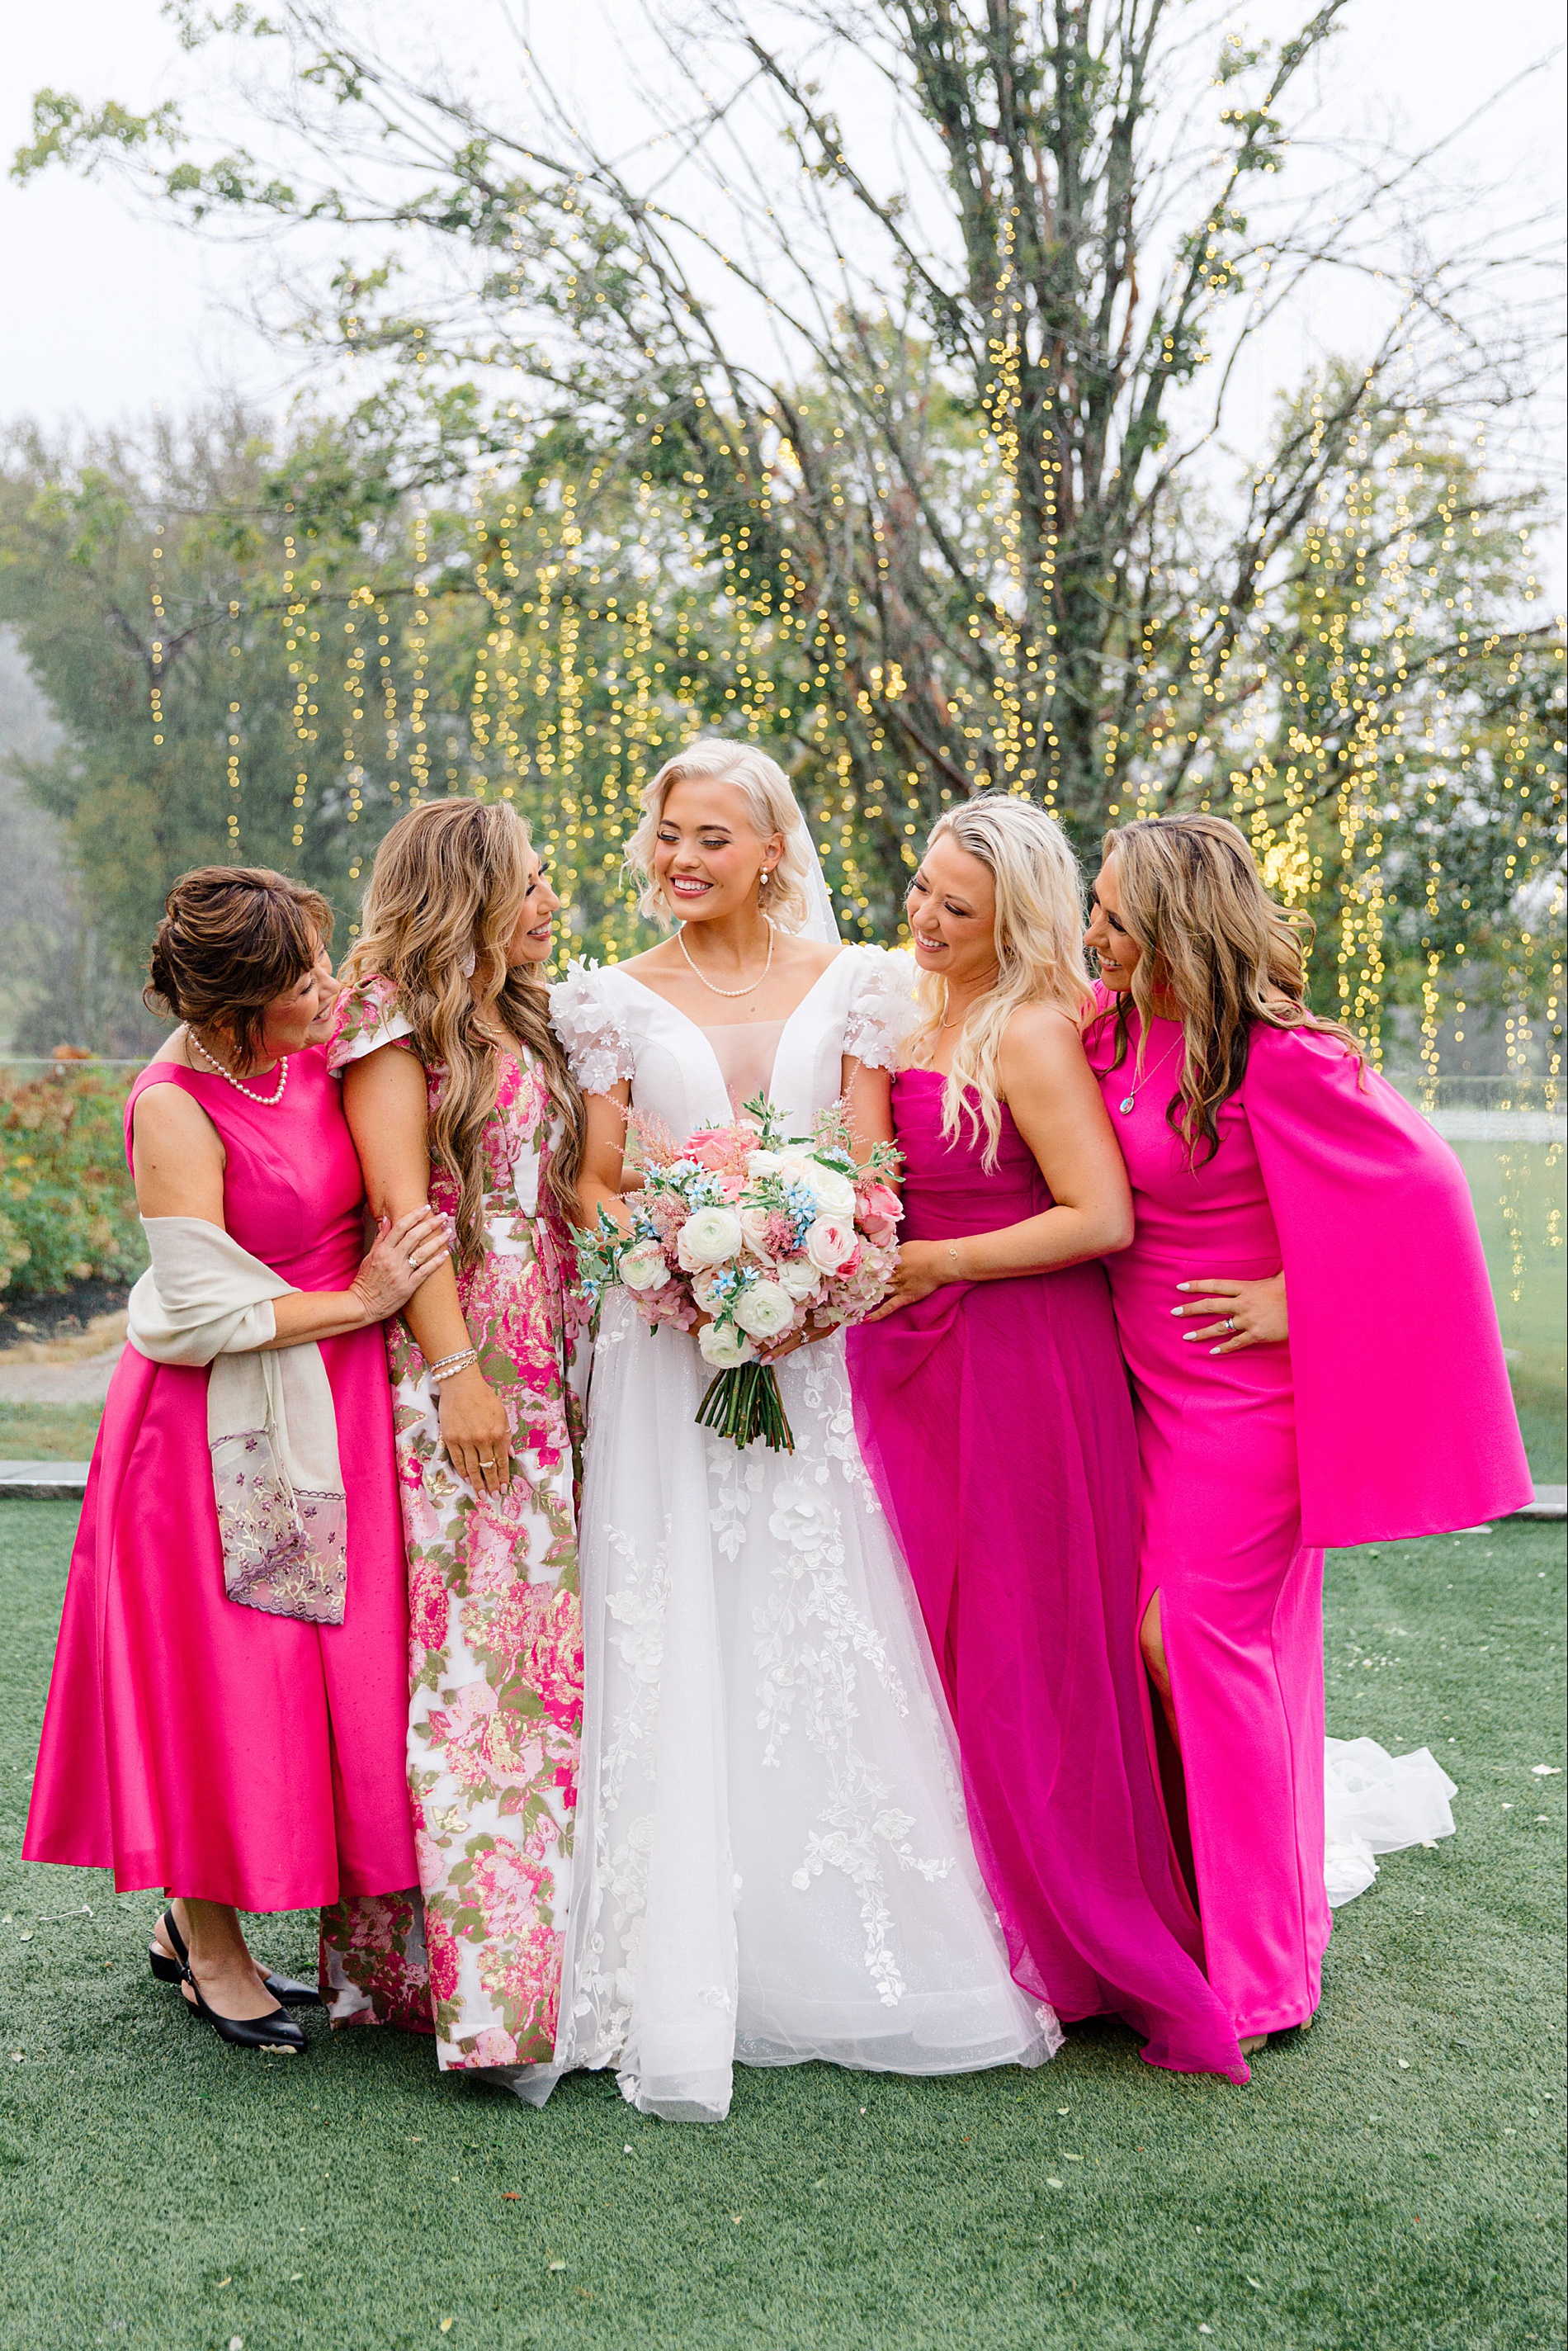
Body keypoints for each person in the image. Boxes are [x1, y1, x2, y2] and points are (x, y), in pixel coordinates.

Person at [548, 738, 1056, 2122]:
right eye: (665, 835)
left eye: (710, 837)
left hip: (814, 1356)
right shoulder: (603, 1000)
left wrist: (810, 1279)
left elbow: (870, 1168)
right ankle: (655, 1954)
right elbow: (594, 1180)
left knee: (811, 1608)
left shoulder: (866, 988)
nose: (679, 861)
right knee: (666, 1611)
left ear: (773, 849)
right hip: (665, 1356)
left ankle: (834, 1941)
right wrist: (665, 1266)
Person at [1082, 813, 1532, 2054]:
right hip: (1146, 1402)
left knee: (1196, 1645)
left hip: (1249, 1411)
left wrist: (1299, 1297)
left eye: (1118, 915)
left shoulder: (1277, 1054)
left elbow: (1428, 1198)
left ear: (1178, 924)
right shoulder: (1108, 1028)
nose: (1096, 932)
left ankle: (1265, 1978)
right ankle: (1212, 1924)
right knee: (1204, 1659)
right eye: (1095, 908)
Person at [847, 796, 1249, 2086]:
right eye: (919, 889)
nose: (923, 918)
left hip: (1024, 1362)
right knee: (926, 1629)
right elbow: (865, 1177)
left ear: (1012, 919)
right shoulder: (899, 1006)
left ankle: (1064, 1928)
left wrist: (941, 1258)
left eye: (954, 909)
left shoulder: (1031, 1030)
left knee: (1025, 1637)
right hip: (910, 1351)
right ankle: (947, 1905)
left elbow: (1103, 1217)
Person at [23, 867, 444, 2052]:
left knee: (322, 1663)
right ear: (229, 1010)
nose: (326, 983)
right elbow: (196, 1311)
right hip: (218, 1428)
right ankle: (205, 1941)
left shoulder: (319, 1045)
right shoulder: (172, 1102)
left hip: (333, 1401)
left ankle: (201, 1924)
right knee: (225, 1676)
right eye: (301, 977)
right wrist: (363, 1298)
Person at [318, 799, 588, 2100]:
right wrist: (456, 1374)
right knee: (478, 1675)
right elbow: (400, 1205)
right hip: (457, 1372)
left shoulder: (519, 1013)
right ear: (469, 890)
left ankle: (531, 1959)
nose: (552, 902)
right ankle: (483, 2003)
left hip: (549, 1361)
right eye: (532, 883)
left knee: (539, 1665)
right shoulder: (385, 1014)